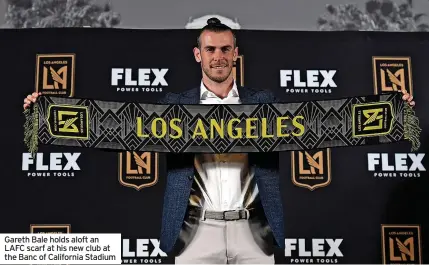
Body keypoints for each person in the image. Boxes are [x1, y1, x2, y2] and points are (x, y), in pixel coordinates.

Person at [23, 18, 417, 264]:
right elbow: (111, 125)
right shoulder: (171, 107)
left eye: (225, 49)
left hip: (255, 233)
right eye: (210, 49)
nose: (218, 56)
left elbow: (327, 122)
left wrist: (396, 110)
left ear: (235, 54)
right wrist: (45, 112)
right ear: (198, 54)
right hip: (194, 232)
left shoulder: (264, 105)